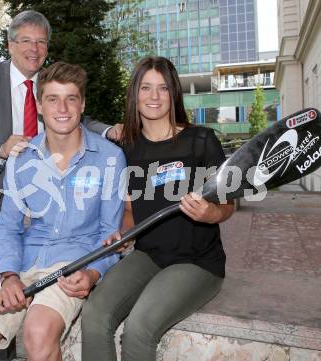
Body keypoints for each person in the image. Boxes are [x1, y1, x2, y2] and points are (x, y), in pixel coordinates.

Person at [0, 61, 126, 361]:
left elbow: (109, 234)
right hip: (25, 259)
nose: (62, 107)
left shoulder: (110, 157)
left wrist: (92, 273)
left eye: (71, 98)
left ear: (82, 103)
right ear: (38, 105)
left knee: (37, 333)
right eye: (52, 98)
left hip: (74, 261)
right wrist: (9, 275)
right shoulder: (22, 159)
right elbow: (8, 226)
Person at [0, 10, 123, 285]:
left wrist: (108, 131)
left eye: (41, 42)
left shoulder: (51, 82)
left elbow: (75, 118)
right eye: (26, 41)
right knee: (2, 273)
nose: (34, 49)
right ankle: (7, 326)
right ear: (10, 45)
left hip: (50, 191)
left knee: (48, 267)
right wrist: (0, 150)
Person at [81, 56, 235, 361]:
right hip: (147, 255)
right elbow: (129, 209)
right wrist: (123, 235)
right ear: (134, 95)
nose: (154, 97)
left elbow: (228, 203)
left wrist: (211, 213)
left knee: (139, 327)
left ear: (173, 93)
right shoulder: (127, 148)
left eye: (162, 88)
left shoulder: (200, 140)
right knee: (95, 314)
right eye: (146, 88)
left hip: (197, 262)